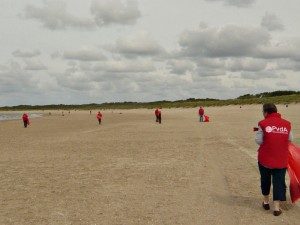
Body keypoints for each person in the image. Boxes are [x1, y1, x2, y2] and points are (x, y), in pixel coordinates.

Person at [255, 103, 293, 216]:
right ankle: (276, 208)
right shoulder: (286, 124)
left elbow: (259, 141)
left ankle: (266, 202)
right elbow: (290, 138)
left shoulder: (262, 123)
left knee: (265, 179)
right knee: (279, 182)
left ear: (266, 112)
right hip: (281, 158)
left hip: (265, 158)